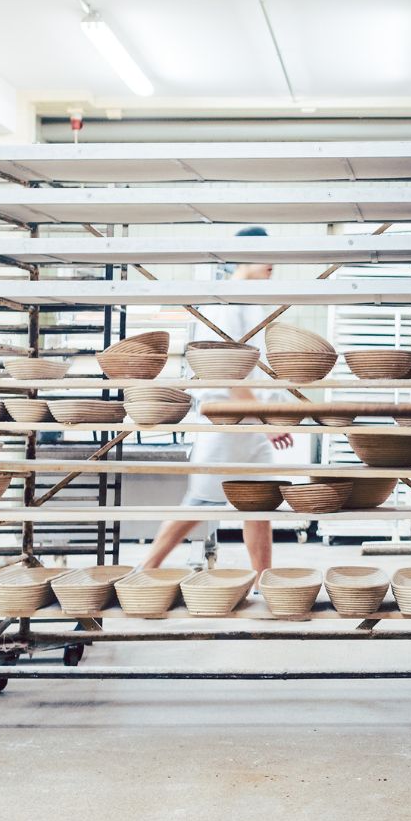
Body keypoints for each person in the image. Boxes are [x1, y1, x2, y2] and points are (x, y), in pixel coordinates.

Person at [139, 228, 293, 573]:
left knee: (258, 505)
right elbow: (226, 372)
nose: (273, 263)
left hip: (252, 420)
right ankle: (144, 570)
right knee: (199, 503)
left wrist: (268, 416)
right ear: (244, 255)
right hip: (227, 422)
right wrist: (266, 420)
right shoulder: (227, 302)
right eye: (266, 254)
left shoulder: (252, 303)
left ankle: (262, 582)